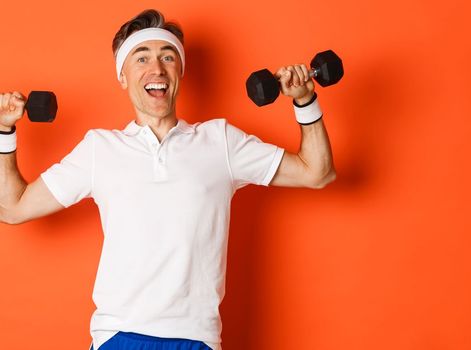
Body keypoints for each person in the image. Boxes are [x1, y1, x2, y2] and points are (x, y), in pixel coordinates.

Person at [0, 9, 335, 350]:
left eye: (167, 57)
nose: (156, 69)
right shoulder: (99, 149)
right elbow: (12, 208)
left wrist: (305, 100)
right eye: (141, 57)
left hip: (196, 339)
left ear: (180, 71)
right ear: (123, 76)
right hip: (119, 336)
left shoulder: (220, 141)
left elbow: (317, 172)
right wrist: (4, 130)